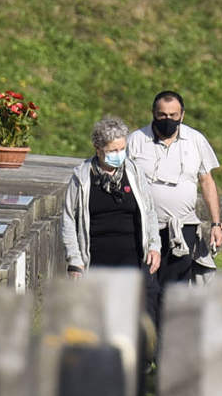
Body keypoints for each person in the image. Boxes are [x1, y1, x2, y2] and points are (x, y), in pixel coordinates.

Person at [128, 91, 222, 299]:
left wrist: (216, 224)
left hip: (182, 228)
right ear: (153, 113)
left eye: (173, 115)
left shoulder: (196, 140)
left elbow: (207, 181)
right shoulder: (135, 141)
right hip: (143, 227)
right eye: (162, 115)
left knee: (175, 288)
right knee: (145, 286)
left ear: (182, 115)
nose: (168, 120)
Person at [60, 116, 159, 278]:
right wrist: (74, 258)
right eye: (113, 151)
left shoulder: (134, 172)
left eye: (122, 149)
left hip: (132, 260)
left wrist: (154, 246)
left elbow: (149, 212)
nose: (119, 155)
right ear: (98, 149)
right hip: (95, 261)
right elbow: (69, 219)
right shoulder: (82, 176)